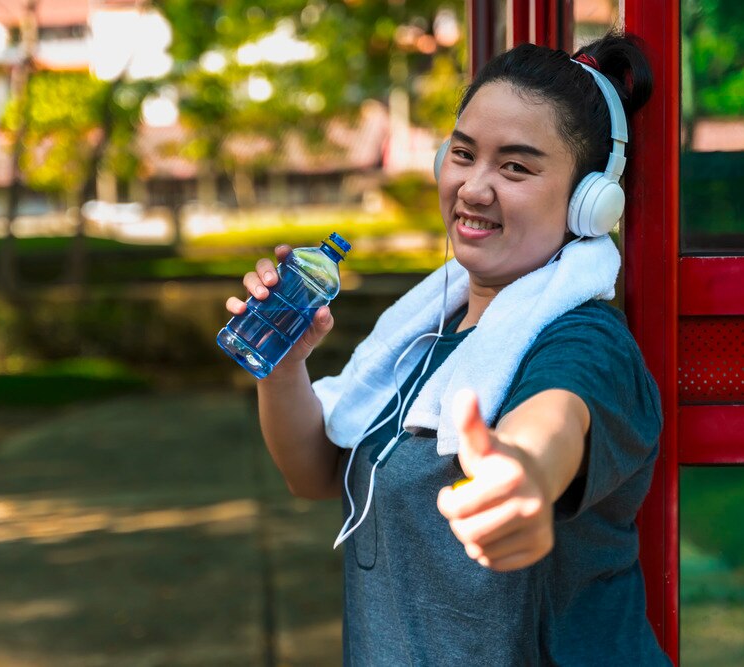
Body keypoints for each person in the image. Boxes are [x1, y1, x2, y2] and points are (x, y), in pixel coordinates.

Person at [224, 32, 669, 666]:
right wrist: (282, 362)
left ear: (587, 202)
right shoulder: (430, 328)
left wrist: (519, 474)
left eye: (515, 167)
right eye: (463, 154)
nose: (474, 188)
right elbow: (313, 473)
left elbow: (553, 421)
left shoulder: (586, 342)